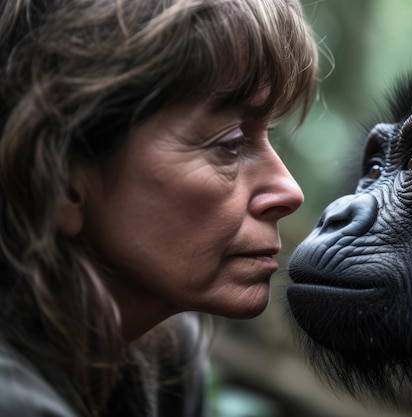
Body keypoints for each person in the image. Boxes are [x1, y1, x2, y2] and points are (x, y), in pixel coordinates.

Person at [0, 0, 318, 416]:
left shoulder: (166, 364)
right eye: (230, 142)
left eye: (265, 133)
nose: (289, 191)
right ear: (60, 178)